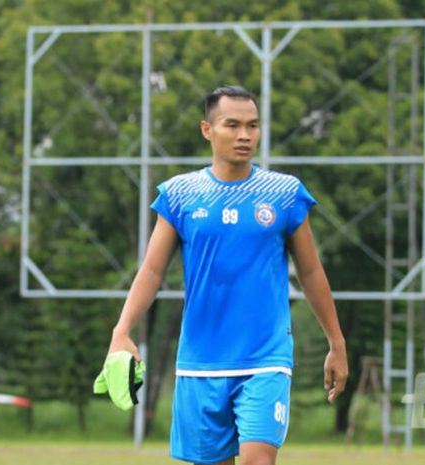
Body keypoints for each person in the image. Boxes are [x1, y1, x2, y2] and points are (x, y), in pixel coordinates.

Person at [107, 85, 348, 465]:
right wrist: (121, 331)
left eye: (252, 126)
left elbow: (311, 272)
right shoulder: (180, 195)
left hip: (265, 356)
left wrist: (336, 341)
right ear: (207, 129)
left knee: (257, 460)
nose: (244, 135)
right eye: (232, 125)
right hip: (201, 361)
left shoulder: (284, 193)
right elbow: (152, 271)